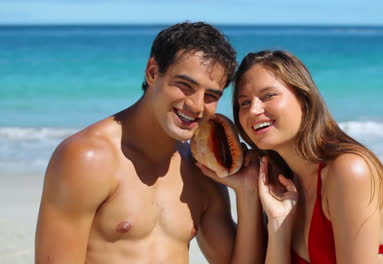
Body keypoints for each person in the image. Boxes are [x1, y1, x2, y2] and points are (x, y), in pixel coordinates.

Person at [35, 22, 265, 264]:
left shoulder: (199, 172)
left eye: (210, 96)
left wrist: (247, 192)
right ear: (153, 73)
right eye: (185, 86)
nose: (197, 106)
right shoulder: (89, 158)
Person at [232, 50, 383, 264]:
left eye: (268, 96)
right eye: (244, 103)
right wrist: (277, 224)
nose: (253, 110)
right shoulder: (280, 184)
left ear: (304, 98)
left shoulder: (348, 170)